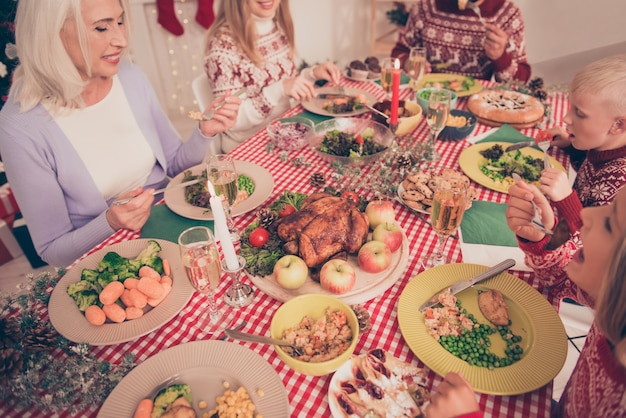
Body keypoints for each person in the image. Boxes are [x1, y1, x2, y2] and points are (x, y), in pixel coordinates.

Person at [0, 0, 241, 267]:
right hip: (109, 261)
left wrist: (203, 133)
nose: (122, 40)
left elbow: (174, 166)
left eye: (120, 21)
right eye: (102, 28)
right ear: (51, 35)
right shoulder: (20, 127)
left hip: (172, 229)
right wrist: (110, 222)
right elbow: (53, 251)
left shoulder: (130, 77)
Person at [427, 186, 626, 417]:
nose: (585, 215)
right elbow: (562, 278)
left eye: (610, 224)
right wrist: (540, 241)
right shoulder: (614, 305)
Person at [513, 54, 626, 278]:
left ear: (618, 125)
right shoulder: (602, 145)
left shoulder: (620, 185)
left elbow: (591, 251)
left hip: (580, 277)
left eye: (579, 114)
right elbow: (591, 171)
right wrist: (573, 146)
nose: (565, 118)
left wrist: (567, 201)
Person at [203, 0, 341, 152]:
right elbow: (232, 120)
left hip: (285, 131)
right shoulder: (221, 46)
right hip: (248, 144)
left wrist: (311, 74)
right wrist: (279, 89)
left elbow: (287, 84)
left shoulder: (278, 25)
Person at [391, 0, 531, 83]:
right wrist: (407, 63)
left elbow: (521, 82)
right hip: (429, 98)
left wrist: (500, 57)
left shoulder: (508, 14)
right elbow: (399, 52)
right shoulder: (425, 7)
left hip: (477, 106)